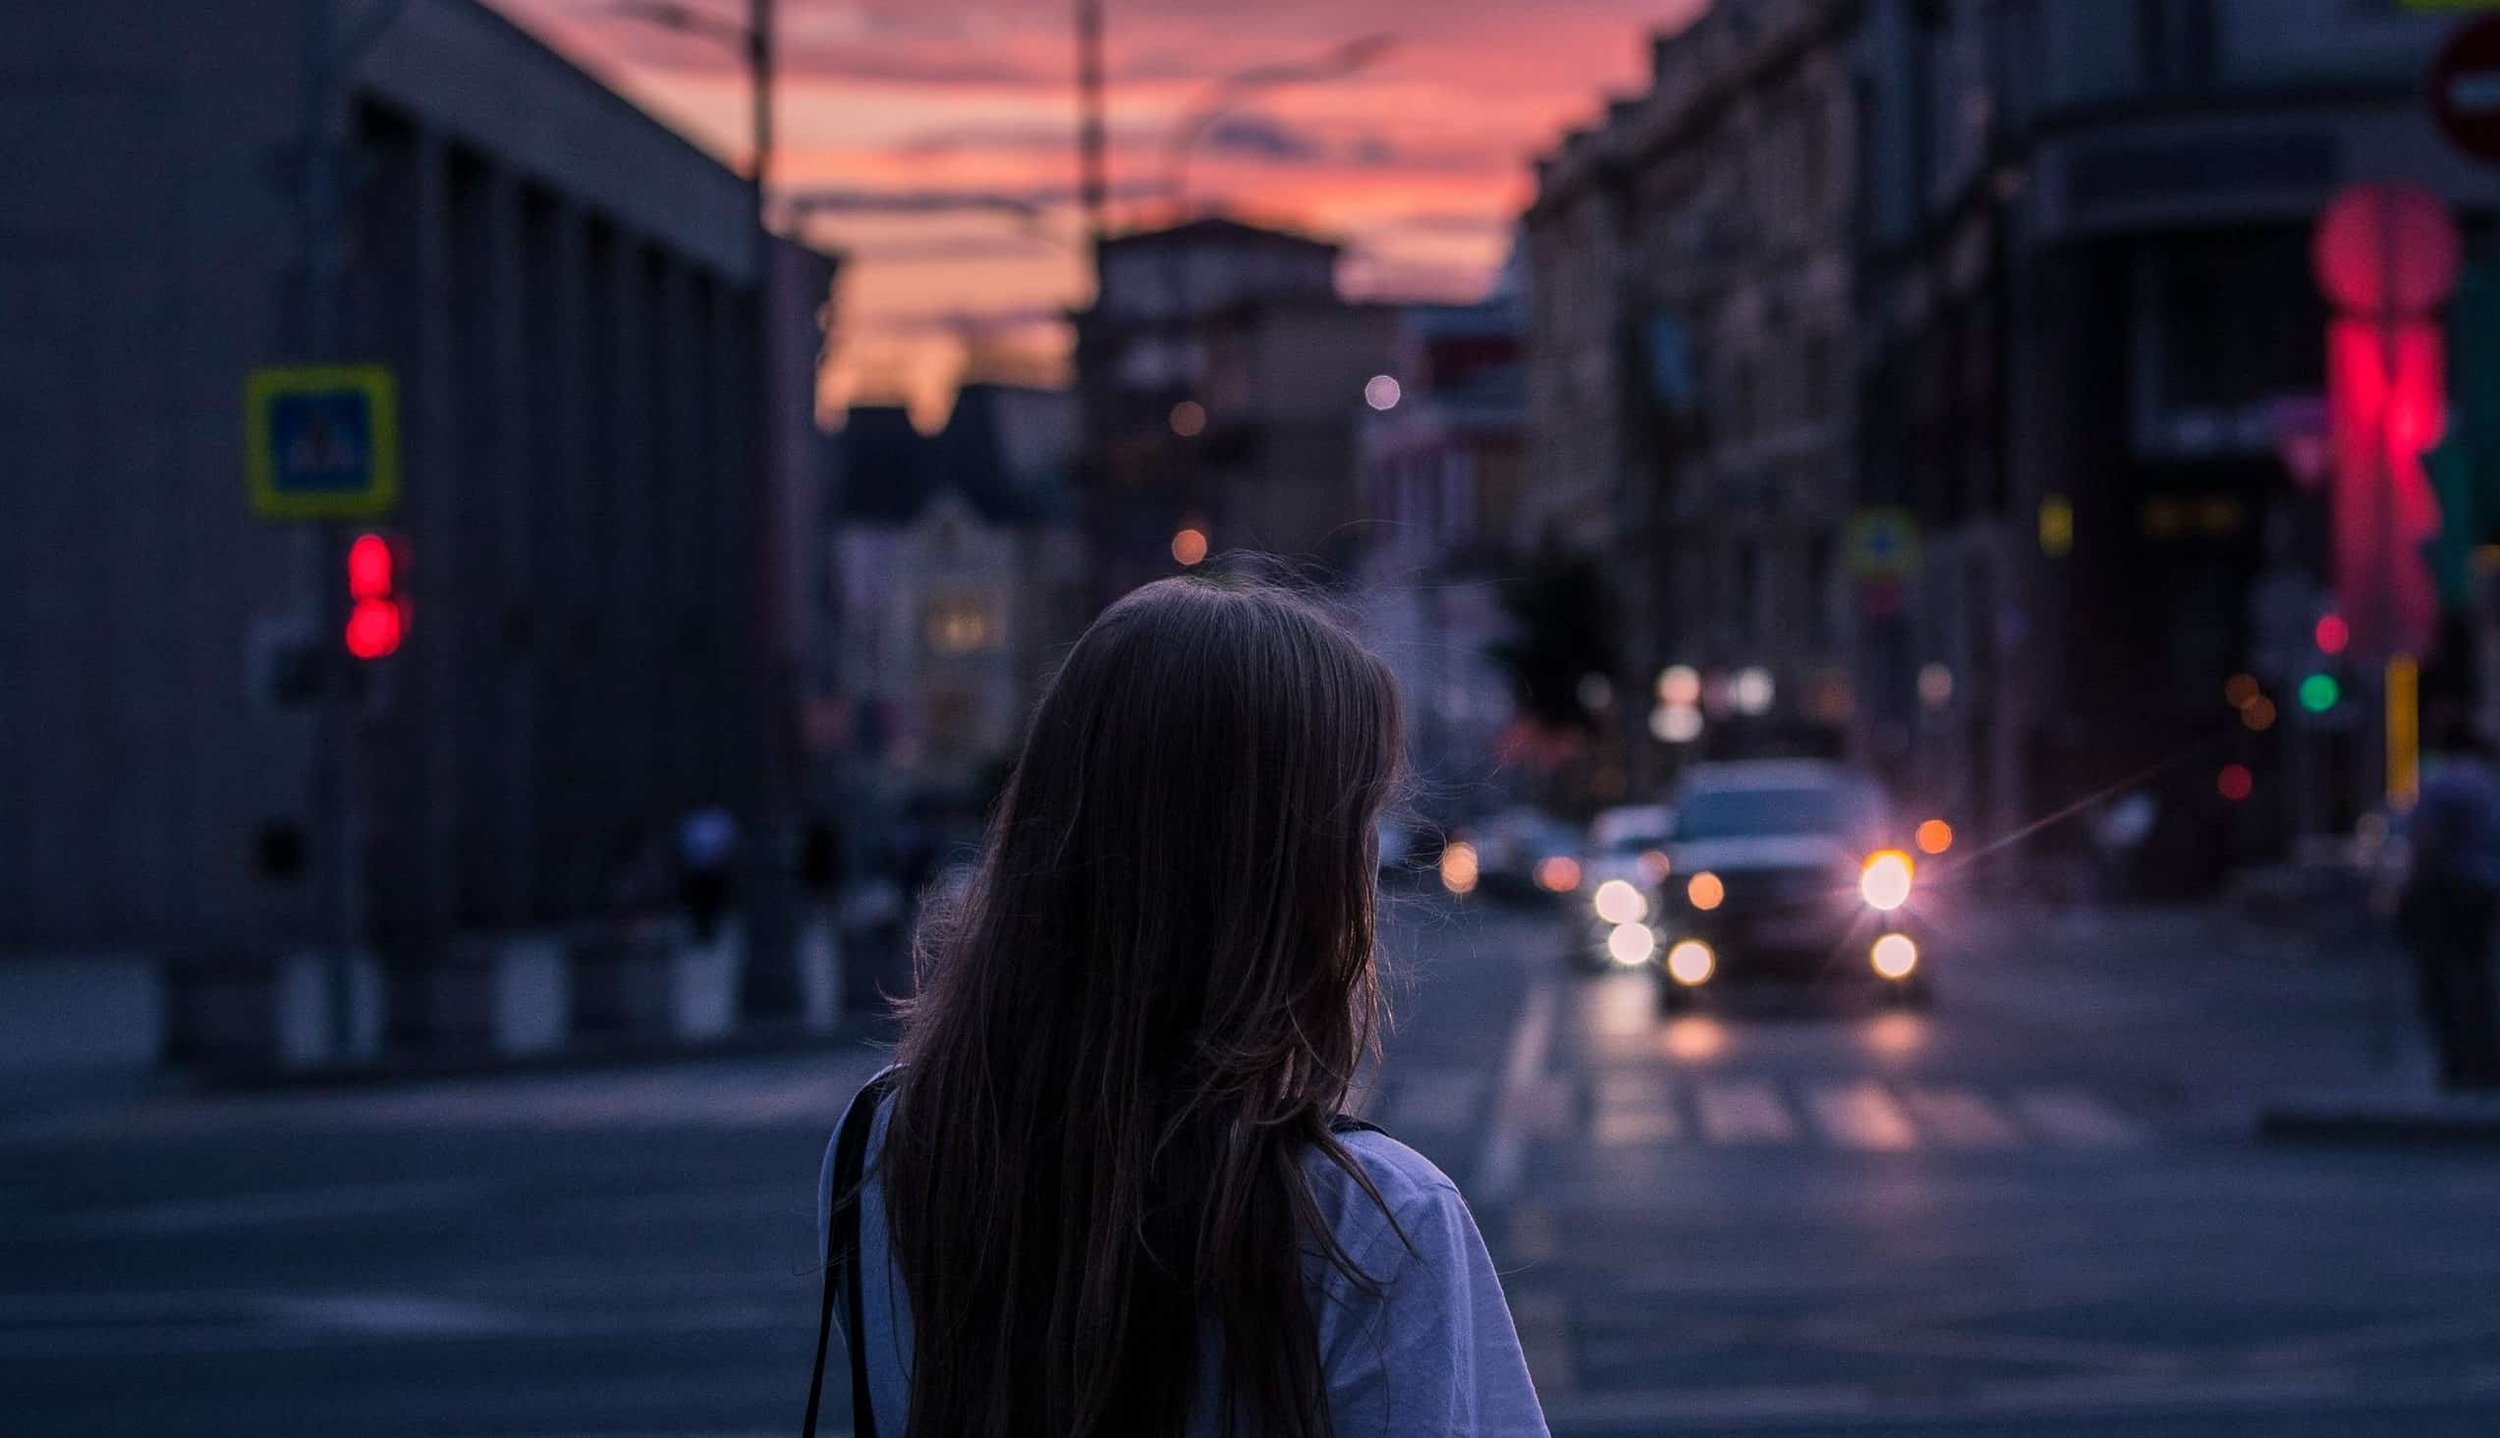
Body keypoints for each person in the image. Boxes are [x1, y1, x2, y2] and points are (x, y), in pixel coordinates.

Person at [816, 578, 1549, 1437]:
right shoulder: (1377, 1222)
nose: (1370, 876)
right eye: (1360, 824)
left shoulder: (883, 1145)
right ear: (1287, 882)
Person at [2397, 708, 2500, 1090]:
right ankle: (2484, 1060)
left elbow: (2428, 844)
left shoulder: (2444, 786)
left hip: (2449, 889)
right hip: (2483, 888)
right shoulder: (2488, 784)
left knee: (2442, 978)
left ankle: (2458, 1060)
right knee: (2477, 975)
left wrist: (2413, 888)